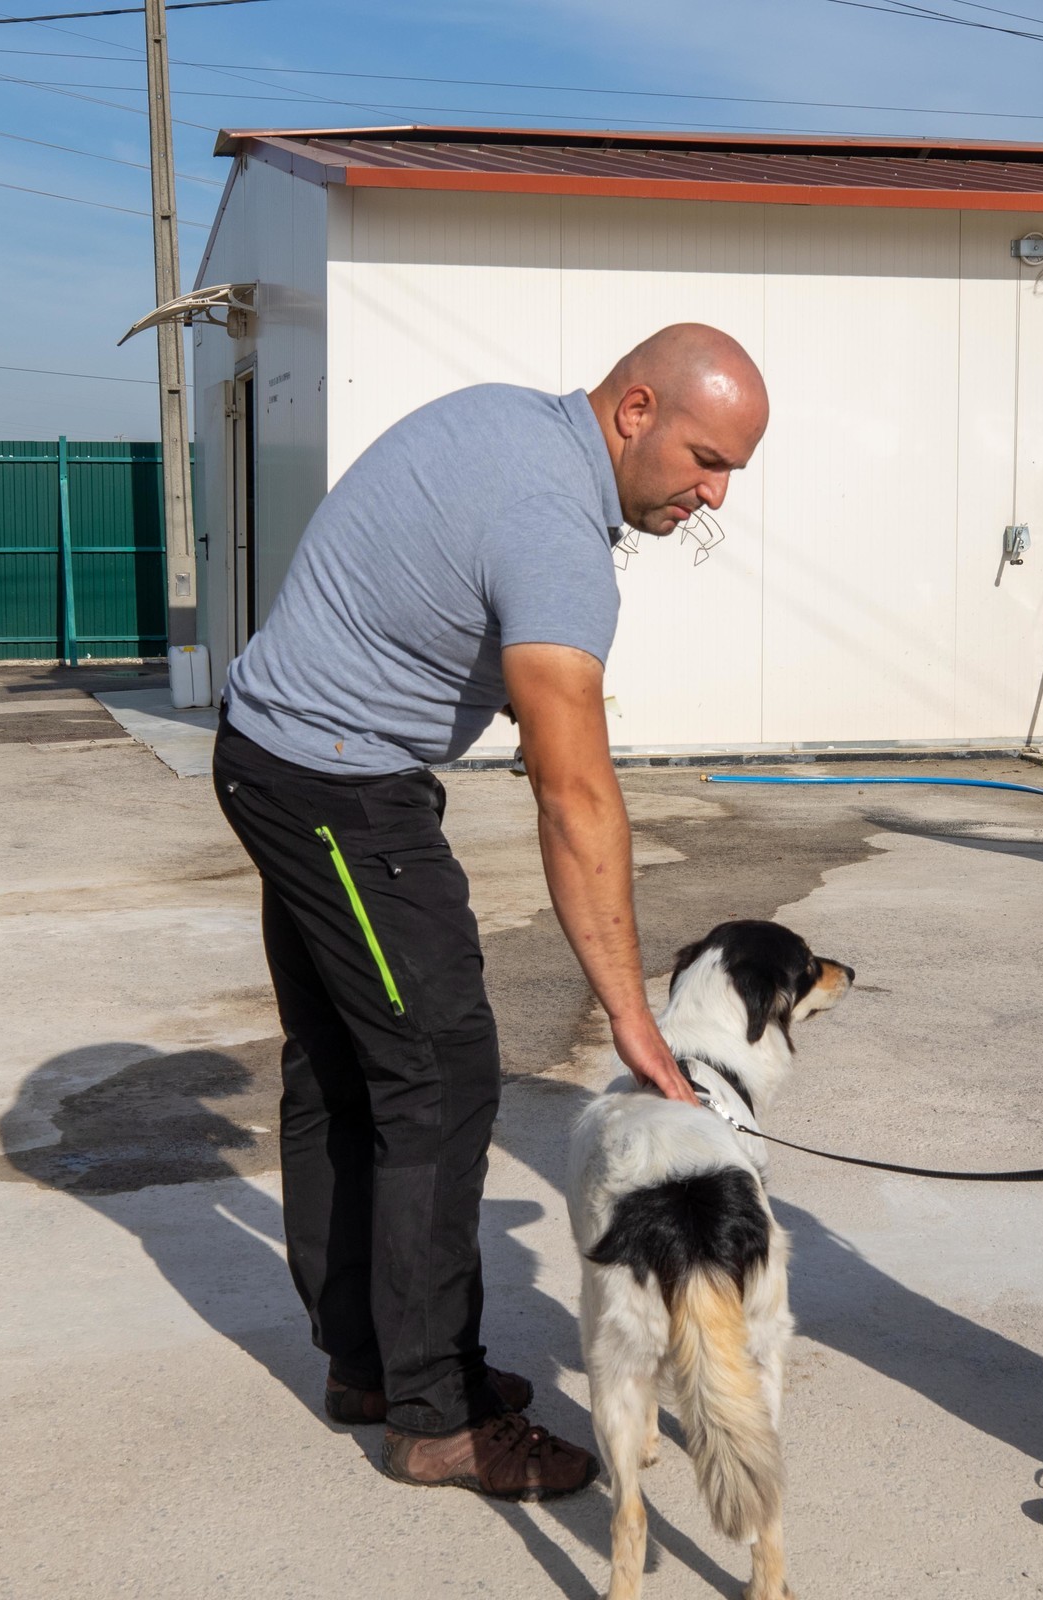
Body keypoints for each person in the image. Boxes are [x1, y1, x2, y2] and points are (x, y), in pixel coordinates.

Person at [211, 325, 770, 1501]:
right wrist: (632, 1018)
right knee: (442, 1070)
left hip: (276, 747)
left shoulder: (515, 424)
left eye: (731, 473)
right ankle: (436, 1411)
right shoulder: (552, 532)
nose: (713, 495)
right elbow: (575, 798)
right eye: (706, 458)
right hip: (334, 781)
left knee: (346, 1066)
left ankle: (370, 1363)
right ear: (634, 410)